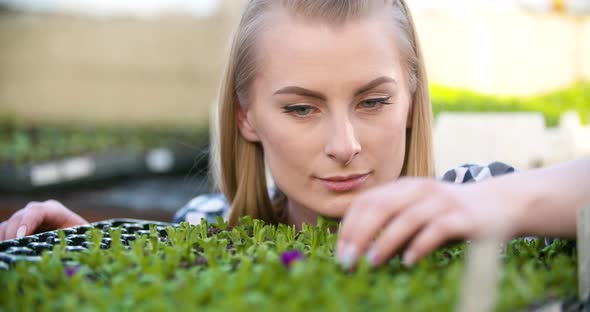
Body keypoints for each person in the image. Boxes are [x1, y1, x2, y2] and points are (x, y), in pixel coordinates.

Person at [0, 0, 588, 270]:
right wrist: (99, 250)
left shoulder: (474, 197)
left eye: (374, 101)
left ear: (412, 102)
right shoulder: (204, 224)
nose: (344, 144)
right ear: (247, 118)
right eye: (302, 109)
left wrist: (491, 204)